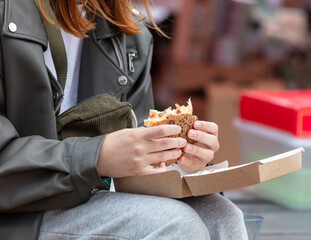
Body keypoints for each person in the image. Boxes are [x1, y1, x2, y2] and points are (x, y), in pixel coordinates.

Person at [0, 0, 248, 239]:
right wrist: (97, 158)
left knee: (221, 215)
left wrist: (178, 161)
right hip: (18, 213)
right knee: (175, 224)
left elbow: (137, 153)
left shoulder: (128, 29)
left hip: (89, 198)